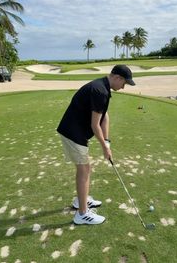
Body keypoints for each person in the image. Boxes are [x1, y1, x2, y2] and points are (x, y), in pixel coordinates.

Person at [57, 64, 135, 225]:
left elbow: (104, 116)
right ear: (117, 78)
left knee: (85, 168)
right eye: (124, 83)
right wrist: (104, 147)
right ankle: (82, 214)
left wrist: (107, 141)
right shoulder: (100, 91)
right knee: (84, 169)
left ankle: (81, 200)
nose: (123, 87)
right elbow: (95, 125)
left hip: (75, 130)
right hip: (72, 132)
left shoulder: (103, 87)